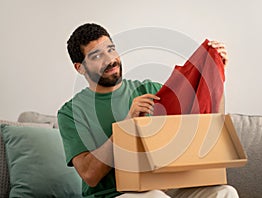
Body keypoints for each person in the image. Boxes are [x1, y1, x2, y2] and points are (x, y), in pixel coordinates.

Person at [57, 23, 239, 198]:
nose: (110, 59)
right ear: (80, 68)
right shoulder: (71, 112)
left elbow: (206, 122)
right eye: (96, 56)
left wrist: (216, 74)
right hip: (115, 195)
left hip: (164, 189)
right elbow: (90, 175)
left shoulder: (151, 90)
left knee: (224, 192)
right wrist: (127, 125)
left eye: (111, 49)